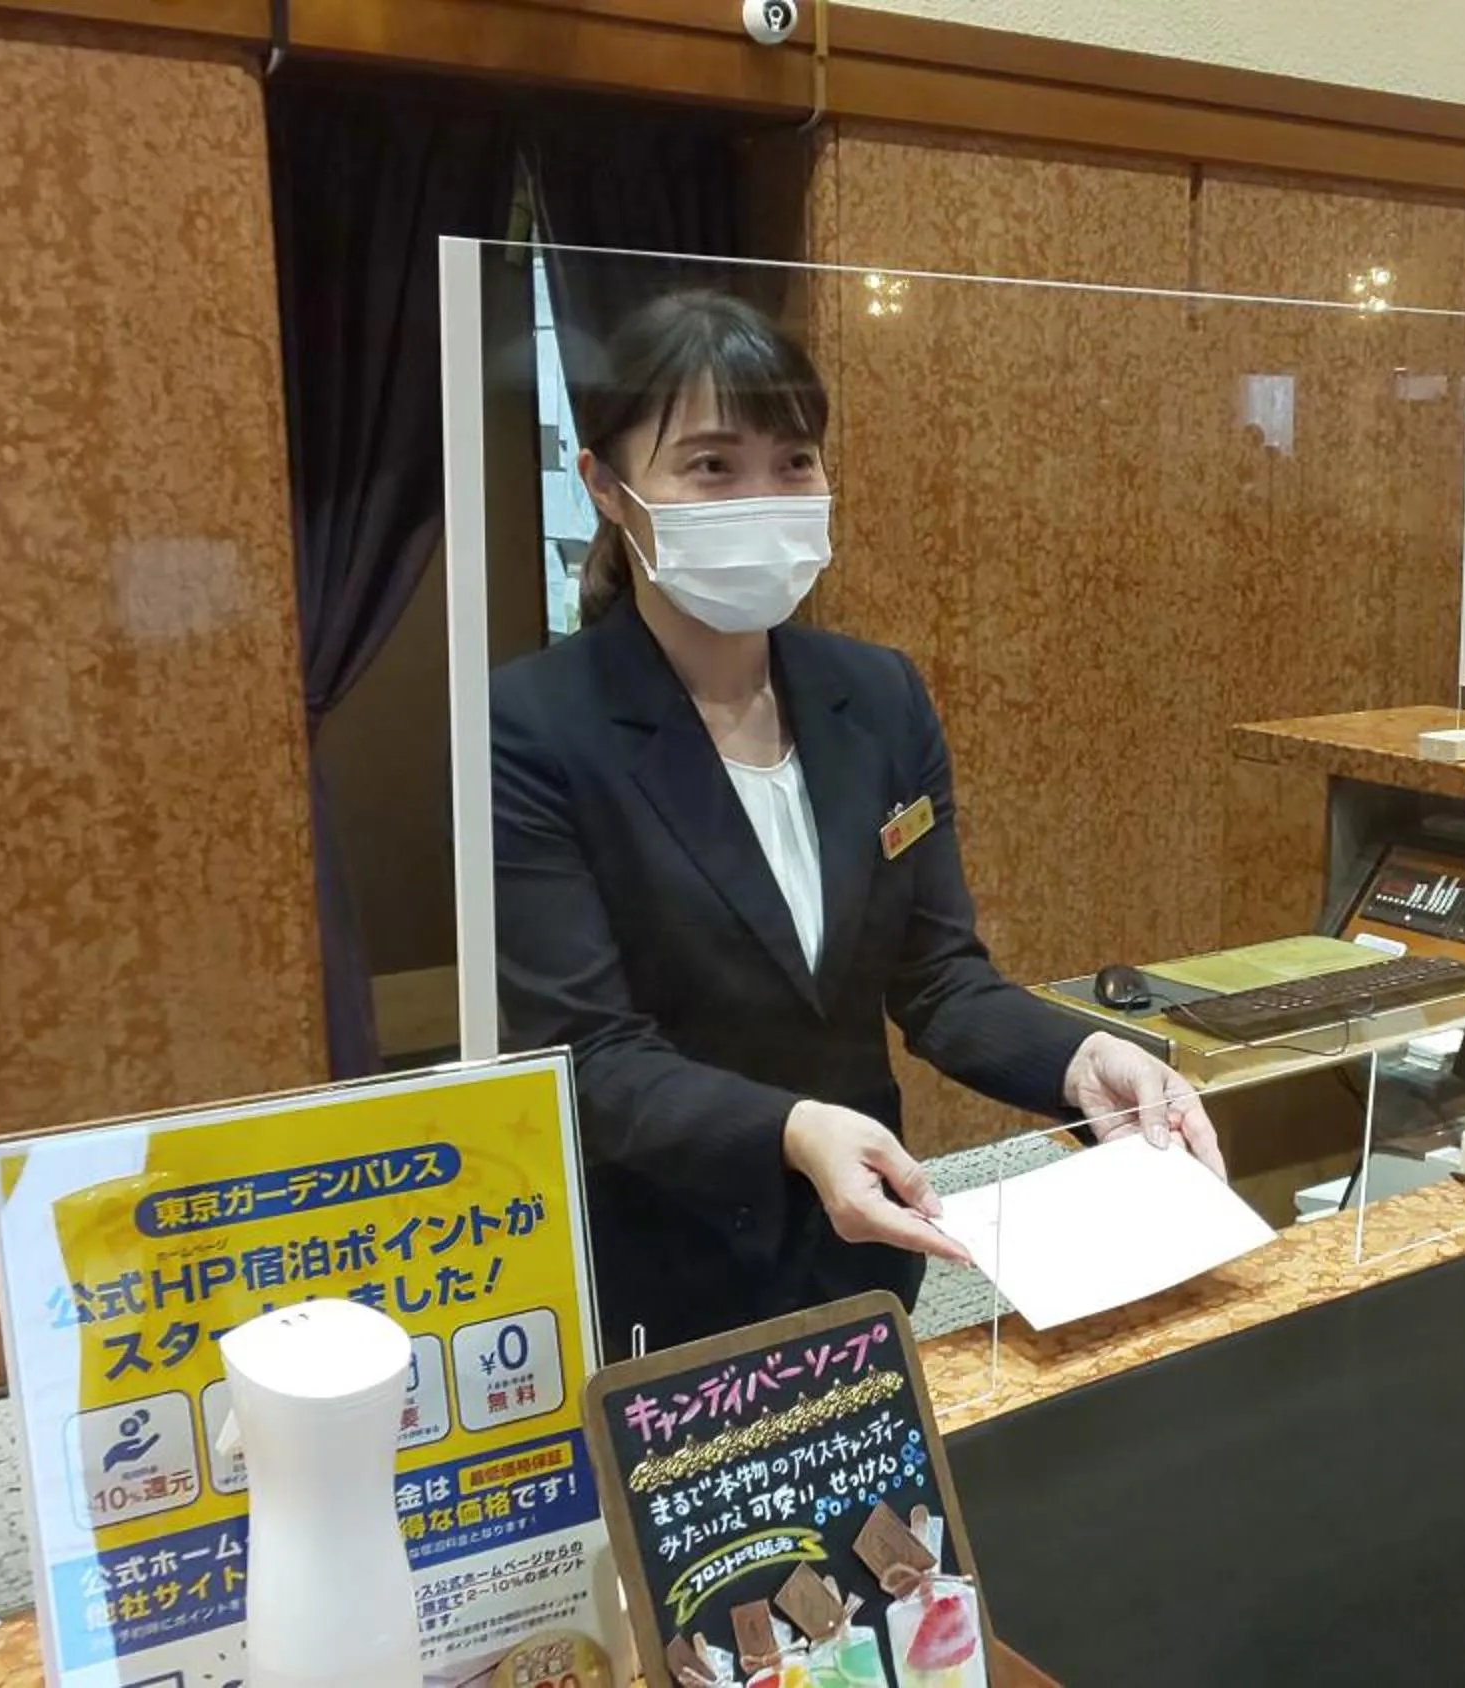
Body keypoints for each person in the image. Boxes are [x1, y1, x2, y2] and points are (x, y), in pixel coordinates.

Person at [492, 288, 1221, 1350]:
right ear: (605, 485)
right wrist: (791, 1128)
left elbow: (937, 979)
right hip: (660, 1253)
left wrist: (1081, 1057)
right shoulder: (530, 724)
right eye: (710, 465)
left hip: (868, 1245)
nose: (765, 494)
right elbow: (586, 1052)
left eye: (795, 461)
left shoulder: (877, 696)